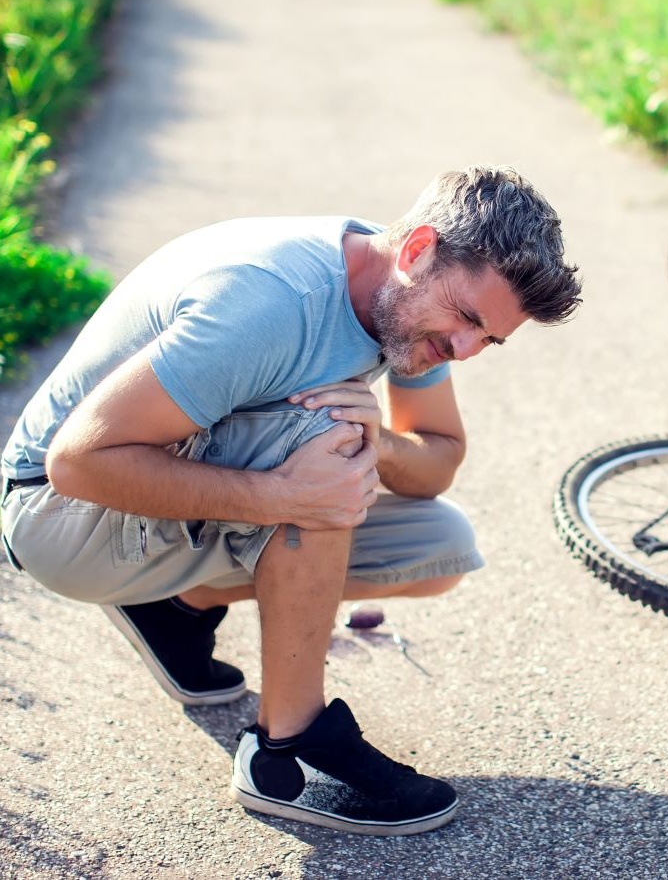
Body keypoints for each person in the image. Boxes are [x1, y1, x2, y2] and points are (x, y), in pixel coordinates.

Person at [0, 165, 581, 836]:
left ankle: (176, 608)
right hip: (59, 518)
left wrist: (382, 440)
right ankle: (287, 751)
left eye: (491, 340)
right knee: (327, 447)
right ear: (418, 249)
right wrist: (285, 492)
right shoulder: (274, 302)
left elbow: (437, 458)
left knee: (439, 544)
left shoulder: (412, 300)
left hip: (156, 499)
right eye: (469, 321)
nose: (466, 348)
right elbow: (76, 462)